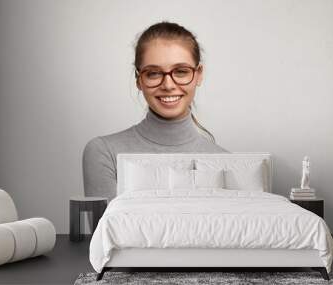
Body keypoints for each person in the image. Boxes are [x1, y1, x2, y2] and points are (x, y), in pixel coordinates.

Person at [83, 21, 230, 231]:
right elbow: (105, 241)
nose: (168, 85)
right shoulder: (103, 152)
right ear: (138, 79)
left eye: (180, 71)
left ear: (198, 74)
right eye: (153, 73)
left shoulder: (227, 161)